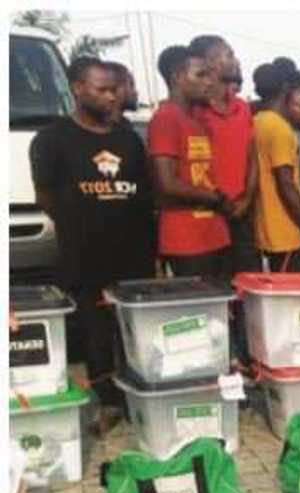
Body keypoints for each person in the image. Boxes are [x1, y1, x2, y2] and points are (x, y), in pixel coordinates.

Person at [29, 57, 154, 421]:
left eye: (114, 89)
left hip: (133, 255)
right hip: (86, 256)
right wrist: (80, 223)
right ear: (78, 89)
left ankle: (140, 395)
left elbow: (144, 194)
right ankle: (108, 401)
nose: (112, 97)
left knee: (133, 330)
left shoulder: (127, 139)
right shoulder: (52, 139)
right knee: (95, 332)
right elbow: (46, 195)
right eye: (102, 90)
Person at [148, 45, 231, 278]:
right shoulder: (166, 119)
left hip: (214, 233)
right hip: (186, 240)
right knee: (199, 301)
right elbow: (167, 184)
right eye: (201, 75)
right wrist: (217, 199)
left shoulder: (196, 121)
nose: (209, 82)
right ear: (177, 77)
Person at [189, 34, 259, 275]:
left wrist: (246, 200)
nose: (235, 60)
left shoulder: (242, 108)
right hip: (207, 213)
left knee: (247, 282)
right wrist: (218, 201)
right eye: (228, 55)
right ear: (209, 62)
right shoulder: (193, 111)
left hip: (241, 213)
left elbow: (252, 158)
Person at [252, 64, 300, 272]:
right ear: (286, 90)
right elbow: (285, 183)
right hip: (286, 232)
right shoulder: (279, 129)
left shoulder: (258, 121)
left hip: (267, 229)